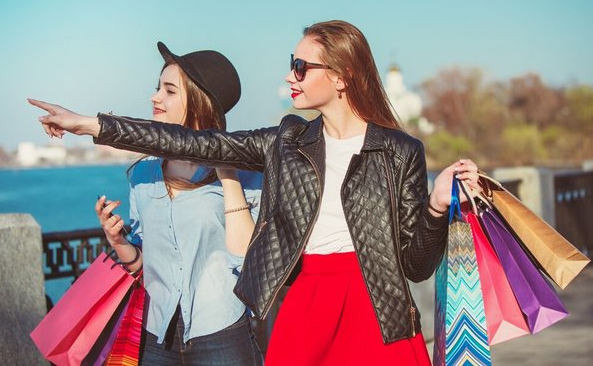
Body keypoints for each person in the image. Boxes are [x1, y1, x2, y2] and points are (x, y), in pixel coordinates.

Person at [29, 20, 481, 365]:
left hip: (378, 311)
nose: (291, 76)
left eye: (302, 67)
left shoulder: (400, 151)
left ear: (341, 77)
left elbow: (418, 267)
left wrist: (438, 204)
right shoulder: (284, 141)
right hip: (303, 302)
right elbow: (189, 141)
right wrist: (90, 124)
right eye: (292, 63)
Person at [87, 42, 263, 365]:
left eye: (169, 90)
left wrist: (227, 170)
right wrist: (117, 239)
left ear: (199, 102)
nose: (155, 97)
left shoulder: (247, 174)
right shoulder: (142, 174)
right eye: (158, 88)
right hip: (156, 338)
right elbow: (141, 263)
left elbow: (250, 260)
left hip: (222, 332)